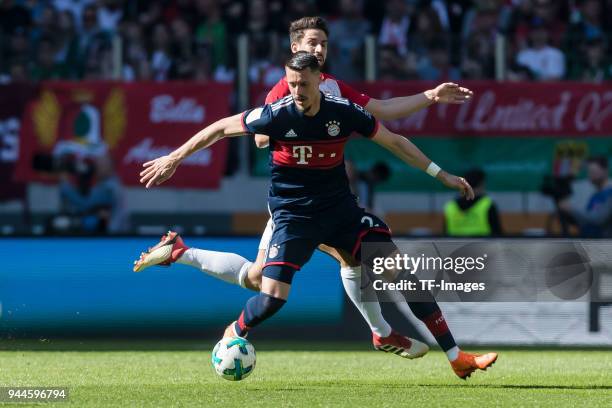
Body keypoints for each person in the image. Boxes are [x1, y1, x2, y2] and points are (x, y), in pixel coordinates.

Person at [135, 15, 475, 363]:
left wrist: (430, 96)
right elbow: (259, 137)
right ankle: (182, 253)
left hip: (331, 202)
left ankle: (385, 334)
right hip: (294, 205)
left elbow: (384, 112)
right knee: (261, 281)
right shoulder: (285, 93)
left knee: (357, 257)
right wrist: (176, 157)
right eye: (312, 43)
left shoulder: (334, 89)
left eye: (324, 44)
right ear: (295, 49)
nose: (319, 49)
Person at [559, 156, 612, 237]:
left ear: (605, 171)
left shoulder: (610, 194)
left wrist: (571, 209)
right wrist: (568, 213)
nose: (590, 175)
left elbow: (599, 219)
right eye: (589, 172)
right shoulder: (595, 195)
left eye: (593, 172)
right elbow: (585, 220)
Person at [444, 168, 503, 236]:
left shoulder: (450, 206)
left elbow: (444, 235)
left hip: (453, 246)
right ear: (482, 183)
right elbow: (498, 235)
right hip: (483, 246)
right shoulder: (487, 205)